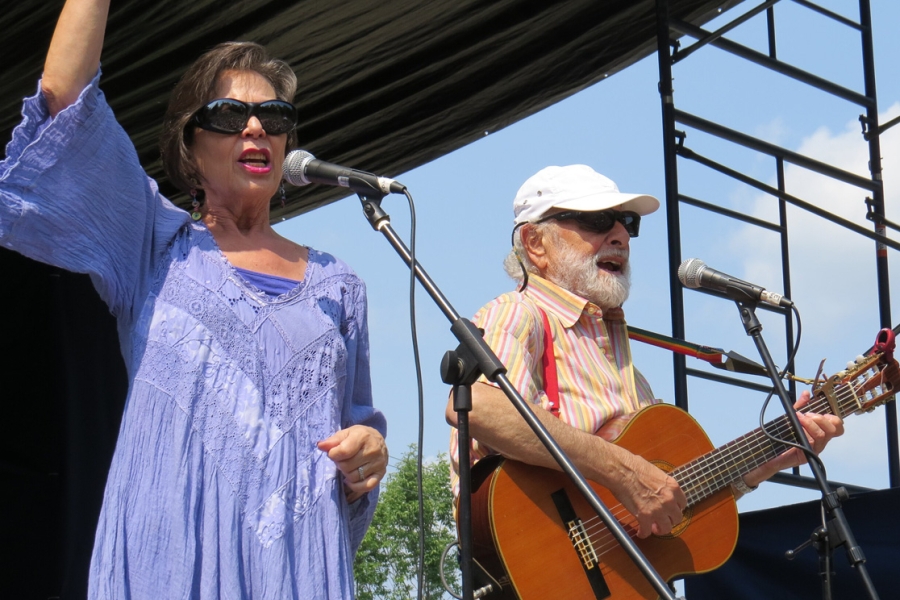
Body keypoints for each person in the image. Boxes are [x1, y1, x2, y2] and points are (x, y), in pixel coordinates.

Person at [0, 0, 387, 597]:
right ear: (190, 143)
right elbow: (62, 98)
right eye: (231, 115)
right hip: (168, 563)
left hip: (292, 571)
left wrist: (369, 454)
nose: (255, 128)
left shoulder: (340, 286)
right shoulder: (152, 243)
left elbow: (357, 441)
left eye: (274, 116)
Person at [447, 164, 843, 539]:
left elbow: (666, 498)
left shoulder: (624, 368)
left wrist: (766, 462)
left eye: (627, 222)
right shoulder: (519, 313)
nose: (621, 235)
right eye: (597, 220)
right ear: (536, 244)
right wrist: (627, 472)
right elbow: (478, 406)